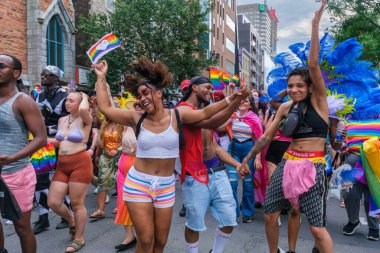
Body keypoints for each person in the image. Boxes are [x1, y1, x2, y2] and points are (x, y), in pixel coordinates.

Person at [93, 58, 245, 253]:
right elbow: (106, 109)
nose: (142, 98)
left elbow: (206, 113)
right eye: (139, 96)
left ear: (159, 93)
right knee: (146, 241)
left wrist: (232, 98)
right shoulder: (135, 118)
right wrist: (100, 77)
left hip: (165, 187)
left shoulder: (177, 116)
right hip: (138, 183)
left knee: (160, 242)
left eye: (146, 93)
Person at [239, 2, 334, 252]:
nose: (294, 89)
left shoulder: (320, 103)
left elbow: (313, 65)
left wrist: (314, 26)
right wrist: (247, 159)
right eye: (290, 85)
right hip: (287, 163)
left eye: (299, 86)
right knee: (270, 214)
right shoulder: (285, 107)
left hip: (313, 166)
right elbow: (266, 138)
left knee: (316, 228)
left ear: (310, 87)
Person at [177, 76, 249, 253]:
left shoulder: (203, 110)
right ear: (194, 88)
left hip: (218, 172)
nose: (210, 91)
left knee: (230, 220)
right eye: (207, 87)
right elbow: (213, 121)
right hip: (195, 176)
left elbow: (215, 147)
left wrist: (236, 164)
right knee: (194, 224)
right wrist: (234, 99)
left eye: (211, 88)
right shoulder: (182, 111)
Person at [0, 53, 47, 253]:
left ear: (16, 73)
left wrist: (13, 157)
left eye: (1, 66)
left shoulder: (23, 101)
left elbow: (40, 138)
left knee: (21, 227)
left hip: (15, 173)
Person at [47, 91, 92, 253]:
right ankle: (71, 221)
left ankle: (79, 238)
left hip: (80, 163)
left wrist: (84, 96)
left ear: (80, 104)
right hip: (62, 164)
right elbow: (60, 142)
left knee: (77, 203)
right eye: (67, 100)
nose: (67, 103)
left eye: (72, 101)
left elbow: (82, 111)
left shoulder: (86, 119)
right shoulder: (62, 120)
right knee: (53, 202)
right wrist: (43, 141)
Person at [33, 65, 70, 233]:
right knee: (39, 179)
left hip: (59, 143)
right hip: (41, 143)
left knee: (61, 178)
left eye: (47, 75)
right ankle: (43, 218)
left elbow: (68, 122)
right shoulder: (39, 95)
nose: (43, 77)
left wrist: (49, 129)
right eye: (42, 74)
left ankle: (66, 213)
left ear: (56, 78)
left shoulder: (65, 96)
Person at [225, 96, 263, 223]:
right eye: (240, 100)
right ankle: (233, 212)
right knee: (232, 182)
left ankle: (247, 212)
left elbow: (260, 139)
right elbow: (220, 127)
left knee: (248, 183)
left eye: (245, 101)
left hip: (249, 152)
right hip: (233, 150)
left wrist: (257, 157)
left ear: (250, 105)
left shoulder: (254, 118)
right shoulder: (232, 115)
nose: (242, 102)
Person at [90, 117, 123, 220]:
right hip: (105, 156)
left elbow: (129, 141)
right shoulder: (104, 124)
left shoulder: (122, 124)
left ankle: (121, 207)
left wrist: (118, 150)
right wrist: (97, 155)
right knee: (102, 181)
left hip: (120, 156)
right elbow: (101, 141)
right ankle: (100, 210)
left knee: (119, 181)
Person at [114, 125, 138, 251]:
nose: (137, 106)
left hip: (138, 168)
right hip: (123, 167)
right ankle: (130, 237)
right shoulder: (126, 124)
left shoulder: (148, 123)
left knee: (138, 204)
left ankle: (145, 236)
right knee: (123, 202)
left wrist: (134, 151)